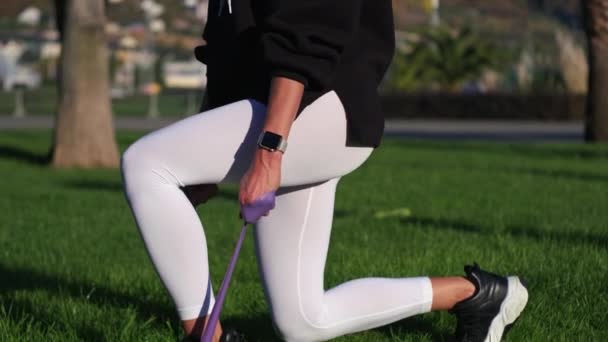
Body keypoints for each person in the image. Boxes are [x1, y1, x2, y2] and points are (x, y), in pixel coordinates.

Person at [120, 1, 529, 341]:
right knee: (301, 321)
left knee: (146, 163)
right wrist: (206, 155)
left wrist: (269, 151)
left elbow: (309, 35)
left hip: (320, 106)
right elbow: (227, 50)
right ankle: (479, 297)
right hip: (286, 111)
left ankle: (204, 337)